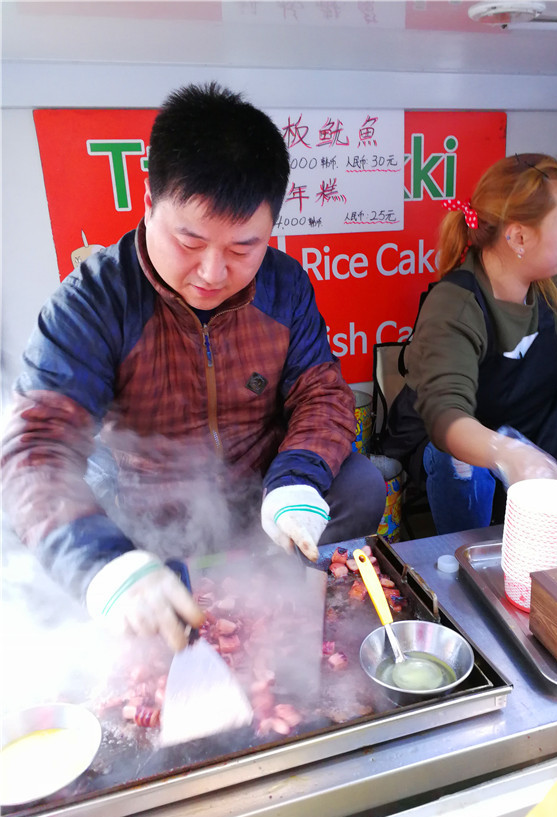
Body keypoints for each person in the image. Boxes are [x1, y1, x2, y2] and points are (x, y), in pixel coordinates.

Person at [1, 82, 386, 651]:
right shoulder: (95, 302)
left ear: (271, 231)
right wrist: (103, 564)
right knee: (36, 530)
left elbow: (322, 394)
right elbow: (37, 448)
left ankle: (293, 609)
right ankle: (147, 593)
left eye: (241, 250)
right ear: (149, 200)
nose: (211, 272)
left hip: (255, 490)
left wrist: (295, 480)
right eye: (190, 240)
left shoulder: (283, 286)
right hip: (146, 504)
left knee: (359, 483)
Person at [383, 153, 557, 535]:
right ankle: (464, 562)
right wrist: (508, 454)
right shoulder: (456, 305)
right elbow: (446, 415)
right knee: (462, 467)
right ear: (518, 236)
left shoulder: (556, 284)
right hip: (464, 451)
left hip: (535, 435)